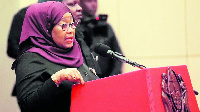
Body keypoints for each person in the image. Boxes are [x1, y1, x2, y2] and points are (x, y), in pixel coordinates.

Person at [12, 1, 99, 112]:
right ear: (45, 28)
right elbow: (28, 105)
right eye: (64, 25)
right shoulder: (31, 58)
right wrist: (56, 79)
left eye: (72, 24)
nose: (70, 31)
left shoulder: (74, 53)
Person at [79, 0, 123, 77]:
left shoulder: (105, 27)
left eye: (95, 1)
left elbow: (118, 56)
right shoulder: (74, 28)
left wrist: (112, 78)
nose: (93, 5)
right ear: (80, 3)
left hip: (107, 80)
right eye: (89, 1)